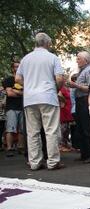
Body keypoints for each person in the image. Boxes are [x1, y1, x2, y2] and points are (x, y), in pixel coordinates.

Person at [15, 32, 65, 170]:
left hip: (30, 98)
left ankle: (35, 162)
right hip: (48, 96)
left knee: (32, 132)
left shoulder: (26, 59)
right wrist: (56, 89)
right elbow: (60, 78)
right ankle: (53, 161)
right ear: (48, 43)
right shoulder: (52, 58)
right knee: (51, 131)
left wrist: (30, 85)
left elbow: (18, 79)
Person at [68, 51, 90, 163]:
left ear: (86, 60)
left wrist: (75, 85)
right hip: (80, 100)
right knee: (81, 128)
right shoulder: (82, 71)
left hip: (85, 100)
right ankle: (84, 153)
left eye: (79, 58)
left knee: (87, 128)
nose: (77, 60)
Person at [2, 61, 25, 157]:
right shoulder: (9, 80)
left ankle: (20, 147)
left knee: (22, 129)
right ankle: (9, 148)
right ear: (13, 68)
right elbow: (9, 94)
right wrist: (21, 92)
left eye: (19, 66)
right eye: (16, 67)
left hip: (23, 107)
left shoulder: (25, 80)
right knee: (10, 128)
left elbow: (27, 93)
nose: (18, 68)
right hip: (11, 108)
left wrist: (14, 91)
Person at [58, 84, 73, 152]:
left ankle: (66, 144)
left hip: (68, 110)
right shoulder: (61, 87)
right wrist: (63, 102)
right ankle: (61, 145)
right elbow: (59, 95)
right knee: (63, 128)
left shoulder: (66, 88)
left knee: (66, 128)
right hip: (63, 110)